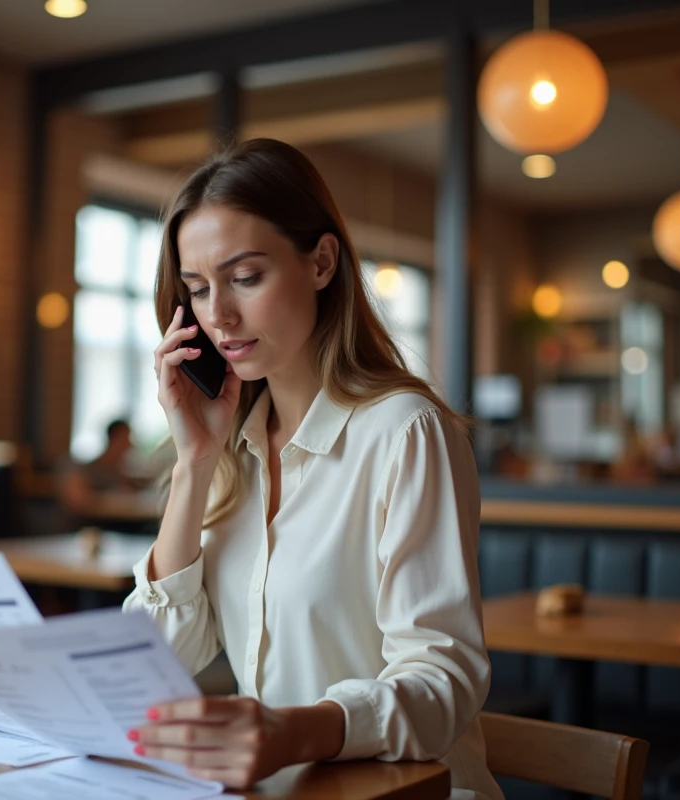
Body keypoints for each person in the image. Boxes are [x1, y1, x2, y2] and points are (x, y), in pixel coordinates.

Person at [122, 139, 502, 798]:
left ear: (321, 262)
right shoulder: (230, 451)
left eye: (245, 277)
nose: (220, 316)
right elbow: (148, 667)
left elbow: (444, 680)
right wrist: (193, 464)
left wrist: (296, 732)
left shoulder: (405, 432)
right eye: (198, 289)